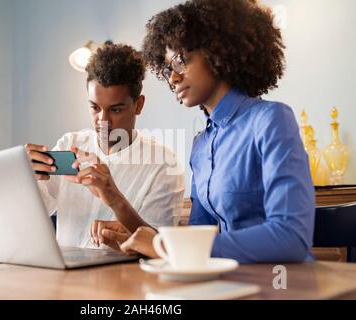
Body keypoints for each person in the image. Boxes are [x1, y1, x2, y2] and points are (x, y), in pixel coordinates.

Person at [93, 0, 316, 263]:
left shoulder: (271, 119)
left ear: (216, 51)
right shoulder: (201, 145)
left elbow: (291, 239)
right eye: (167, 69)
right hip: (226, 284)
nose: (172, 77)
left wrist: (164, 245)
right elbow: (197, 240)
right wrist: (140, 240)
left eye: (180, 60)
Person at [25, 43, 184, 248]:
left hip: (124, 277)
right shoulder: (70, 144)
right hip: (63, 275)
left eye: (115, 110)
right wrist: (25, 178)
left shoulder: (163, 164)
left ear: (138, 105)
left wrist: (115, 198)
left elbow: (161, 248)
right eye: (94, 107)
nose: (103, 121)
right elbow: (34, 213)